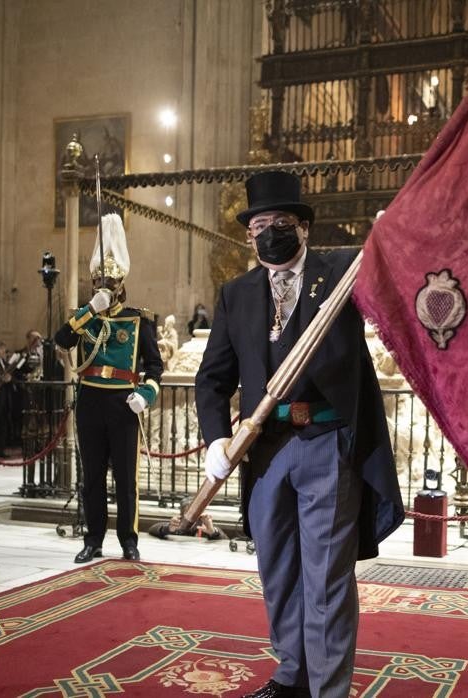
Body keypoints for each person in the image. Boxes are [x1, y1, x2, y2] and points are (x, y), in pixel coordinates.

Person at [195, 171, 403, 698]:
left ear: (304, 227)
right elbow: (212, 377)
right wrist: (217, 440)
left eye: (280, 223)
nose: (269, 233)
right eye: (259, 225)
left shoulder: (342, 274)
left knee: (327, 579)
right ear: (248, 236)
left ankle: (328, 691)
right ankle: (292, 675)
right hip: (263, 452)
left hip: (326, 444)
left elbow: (392, 282)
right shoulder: (235, 295)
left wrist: (392, 236)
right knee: (279, 571)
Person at [55, 213, 163, 564]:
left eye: (109, 282)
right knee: (92, 478)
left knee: (126, 480)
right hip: (90, 400)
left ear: (121, 285)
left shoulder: (137, 319)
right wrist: (89, 311)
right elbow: (61, 339)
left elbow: (155, 366)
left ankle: (129, 541)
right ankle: (93, 540)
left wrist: (145, 395)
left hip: (123, 401)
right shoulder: (85, 315)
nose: (103, 286)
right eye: (98, 281)